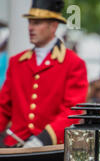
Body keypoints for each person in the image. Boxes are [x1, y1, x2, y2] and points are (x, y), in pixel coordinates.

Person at [0, 0, 88, 148]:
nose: (30, 28)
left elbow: (72, 111)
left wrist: (44, 139)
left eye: (37, 23)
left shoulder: (73, 63)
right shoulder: (16, 62)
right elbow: (3, 107)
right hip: (15, 146)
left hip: (50, 147)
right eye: (30, 22)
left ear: (53, 26)